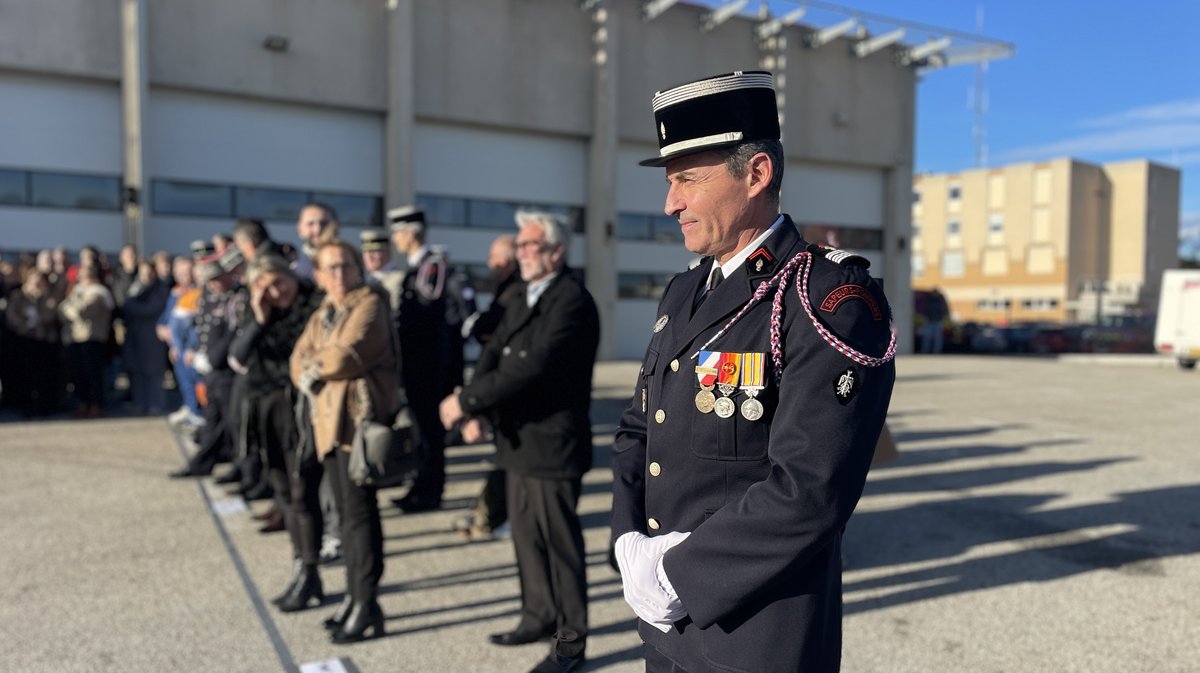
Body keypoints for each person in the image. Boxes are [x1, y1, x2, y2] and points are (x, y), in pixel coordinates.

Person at [610, 71, 896, 673]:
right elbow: (640, 429)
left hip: (755, 637)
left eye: (688, 179)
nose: (671, 203)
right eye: (670, 182)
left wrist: (675, 576)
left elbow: (809, 488)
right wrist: (627, 542)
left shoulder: (828, 299)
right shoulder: (683, 292)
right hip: (666, 629)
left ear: (757, 174)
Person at [439, 210, 599, 673]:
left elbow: (530, 366)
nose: (520, 252)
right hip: (517, 442)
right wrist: (475, 408)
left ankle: (570, 645)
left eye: (529, 245)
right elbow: (493, 353)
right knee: (527, 539)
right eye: (521, 245)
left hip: (552, 445)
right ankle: (538, 615)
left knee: (560, 547)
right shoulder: (522, 296)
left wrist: (465, 401)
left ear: (555, 250)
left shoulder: (570, 299)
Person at [291, 240, 399, 643]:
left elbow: (347, 355)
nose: (339, 274)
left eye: (346, 266)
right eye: (330, 268)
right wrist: (315, 363)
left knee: (359, 517)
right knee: (346, 519)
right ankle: (355, 598)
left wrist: (316, 365)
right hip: (329, 428)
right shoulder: (324, 312)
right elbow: (297, 358)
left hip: (357, 426)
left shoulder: (370, 304)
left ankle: (367, 603)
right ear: (318, 276)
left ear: (359, 270)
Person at [228, 255, 322, 537]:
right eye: (266, 287)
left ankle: (307, 533)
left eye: (280, 282)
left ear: (292, 277)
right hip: (267, 397)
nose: (277, 292)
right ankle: (284, 511)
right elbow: (237, 356)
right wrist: (259, 319)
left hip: (301, 400)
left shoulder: (313, 304)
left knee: (302, 476)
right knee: (276, 467)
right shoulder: (259, 309)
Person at [455, 232, 522, 541]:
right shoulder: (507, 288)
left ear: (506, 260)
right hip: (498, 384)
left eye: (493, 257)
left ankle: (500, 515)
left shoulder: (514, 291)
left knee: (510, 459)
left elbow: (485, 329)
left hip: (509, 390)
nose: (489, 264)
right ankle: (493, 514)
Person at [387, 206, 451, 514]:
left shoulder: (431, 266)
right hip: (414, 364)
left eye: (397, 232)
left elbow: (427, 317)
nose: (394, 238)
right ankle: (419, 485)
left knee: (429, 431)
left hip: (427, 365)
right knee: (419, 430)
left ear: (410, 233)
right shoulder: (416, 268)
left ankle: (429, 491)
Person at [59, 264, 115, 418]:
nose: (81, 279)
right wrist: (69, 308)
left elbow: (82, 311)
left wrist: (69, 308)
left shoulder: (99, 293)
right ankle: (83, 404)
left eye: (85, 276)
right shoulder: (76, 291)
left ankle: (97, 405)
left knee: (93, 375)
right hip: (74, 339)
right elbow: (61, 310)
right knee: (79, 375)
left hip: (92, 339)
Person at [293, 203, 340, 280]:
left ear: (336, 227)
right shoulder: (289, 265)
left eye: (323, 223)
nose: (317, 230)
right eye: (310, 224)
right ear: (299, 229)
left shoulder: (349, 260)